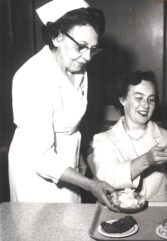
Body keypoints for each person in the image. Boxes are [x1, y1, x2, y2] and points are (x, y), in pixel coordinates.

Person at [8, 0, 116, 209]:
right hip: (35, 169)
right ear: (57, 36)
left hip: (68, 166)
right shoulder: (32, 77)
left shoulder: (77, 67)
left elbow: (69, 122)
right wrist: (90, 184)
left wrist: (79, 156)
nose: (87, 57)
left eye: (92, 49)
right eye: (81, 47)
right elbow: (40, 156)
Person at [88, 71, 167, 201]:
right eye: (139, 98)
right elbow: (106, 179)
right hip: (120, 212)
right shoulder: (103, 139)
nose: (146, 105)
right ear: (122, 99)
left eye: (151, 99)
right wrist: (146, 160)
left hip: (160, 213)